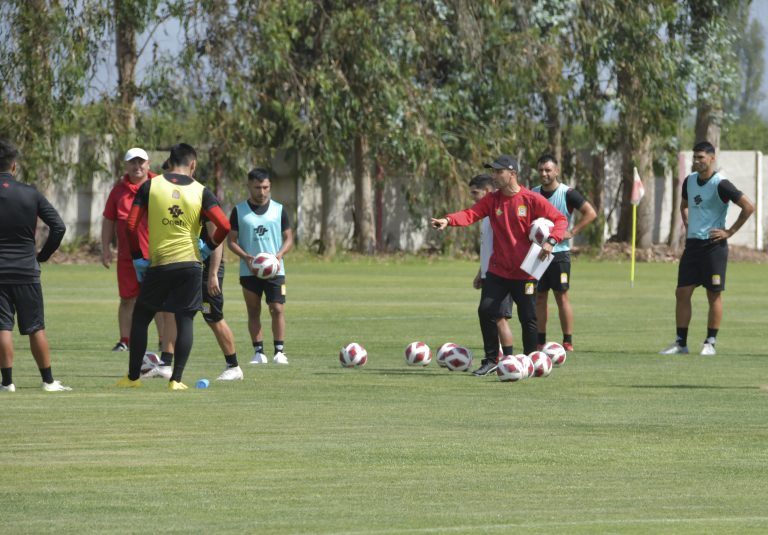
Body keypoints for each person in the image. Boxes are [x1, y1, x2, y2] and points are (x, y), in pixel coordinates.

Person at [431, 154, 568, 376]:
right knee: (485, 310)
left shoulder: (531, 199)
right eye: (493, 172)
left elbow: (560, 220)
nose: (494, 176)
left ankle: (530, 361)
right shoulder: (493, 200)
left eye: (498, 172)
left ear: (512, 174)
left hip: (526, 272)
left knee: (528, 319)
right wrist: (448, 220)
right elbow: (471, 214)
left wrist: (551, 241)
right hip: (498, 270)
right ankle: (491, 359)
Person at [115, 143, 231, 390]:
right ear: (193, 164)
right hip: (190, 265)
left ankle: (132, 378)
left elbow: (131, 225)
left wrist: (137, 257)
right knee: (185, 320)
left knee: (141, 317)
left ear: (169, 162)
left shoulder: (151, 185)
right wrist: (208, 247)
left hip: (159, 264)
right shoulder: (202, 191)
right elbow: (224, 226)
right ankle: (176, 380)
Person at [659, 141, 754, 356]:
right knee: (682, 292)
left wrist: (729, 232)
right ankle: (681, 343)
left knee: (713, 295)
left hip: (714, 246)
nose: (697, 161)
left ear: (712, 158)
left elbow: (749, 206)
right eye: (695, 157)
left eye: (701, 157)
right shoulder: (689, 181)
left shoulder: (721, 184)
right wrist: (687, 223)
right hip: (693, 246)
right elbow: (684, 205)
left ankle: (710, 342)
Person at [0, 139, 71, 392]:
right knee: (35, 327)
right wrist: (42, 255)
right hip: (26, 270)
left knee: (2, 326)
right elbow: (59, 227)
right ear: (14, 166)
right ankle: (48, 381)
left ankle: (7, 383)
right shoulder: (30, 193)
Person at [227, 168, 294, 365]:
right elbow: (231, 241)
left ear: (270, 186)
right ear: (249, 186)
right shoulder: (239, 211)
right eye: (257, 187)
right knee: (253, 310)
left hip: (275, 270)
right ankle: (258, 353)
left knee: (277, 308)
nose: (262, 192)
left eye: (265, 187)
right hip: (249, 270)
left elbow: (289, 238)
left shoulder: (279, 210)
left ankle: (279, 351)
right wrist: (246, 257)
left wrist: (279, 255)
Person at [532, 154, 597, 352]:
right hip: (537, 253)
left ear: (557, 171)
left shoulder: (568, 193)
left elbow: (591, 213)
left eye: (548, 170)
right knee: (539, 297)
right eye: (541, 170)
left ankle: (567, 341)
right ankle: (540, 341)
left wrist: (572, 232)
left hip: (559, 254)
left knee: (562, 296)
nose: (544, 173)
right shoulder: (533, 193)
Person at [468, 174, 513, 369]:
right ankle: (495, 359)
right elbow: (489, 247)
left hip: (502, 274)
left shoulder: (499, 211)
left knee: (498, 317)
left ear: (487, 191)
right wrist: (481, 272)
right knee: (491, 316)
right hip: (490, 274)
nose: (473, 197)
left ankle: (508, 361)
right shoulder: (486, 214)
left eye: (475, 193)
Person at [200, 218, 244, 381]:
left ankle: (233, 366)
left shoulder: (205, 202)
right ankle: (166, 363)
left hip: (209, 270)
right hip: (192, 267)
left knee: (212, 316)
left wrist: (213, 274)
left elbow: (217, 240)